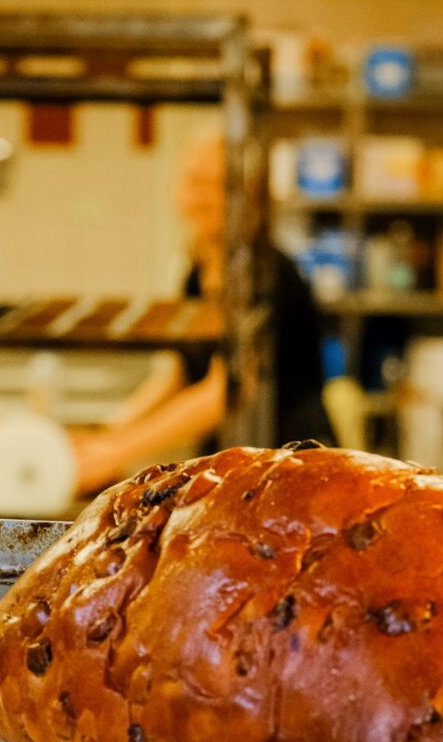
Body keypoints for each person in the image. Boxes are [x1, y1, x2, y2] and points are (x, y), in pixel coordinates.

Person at [71, 134, 335, 493]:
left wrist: (118, 451)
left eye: (219, 186)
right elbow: (178, 374)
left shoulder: (270, 275)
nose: (200, 197)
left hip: (290, 466)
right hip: (231, 462)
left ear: (251, 196)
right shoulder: (198, 270)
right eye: (193, 182)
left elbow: (225, 389)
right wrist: (105, 431)